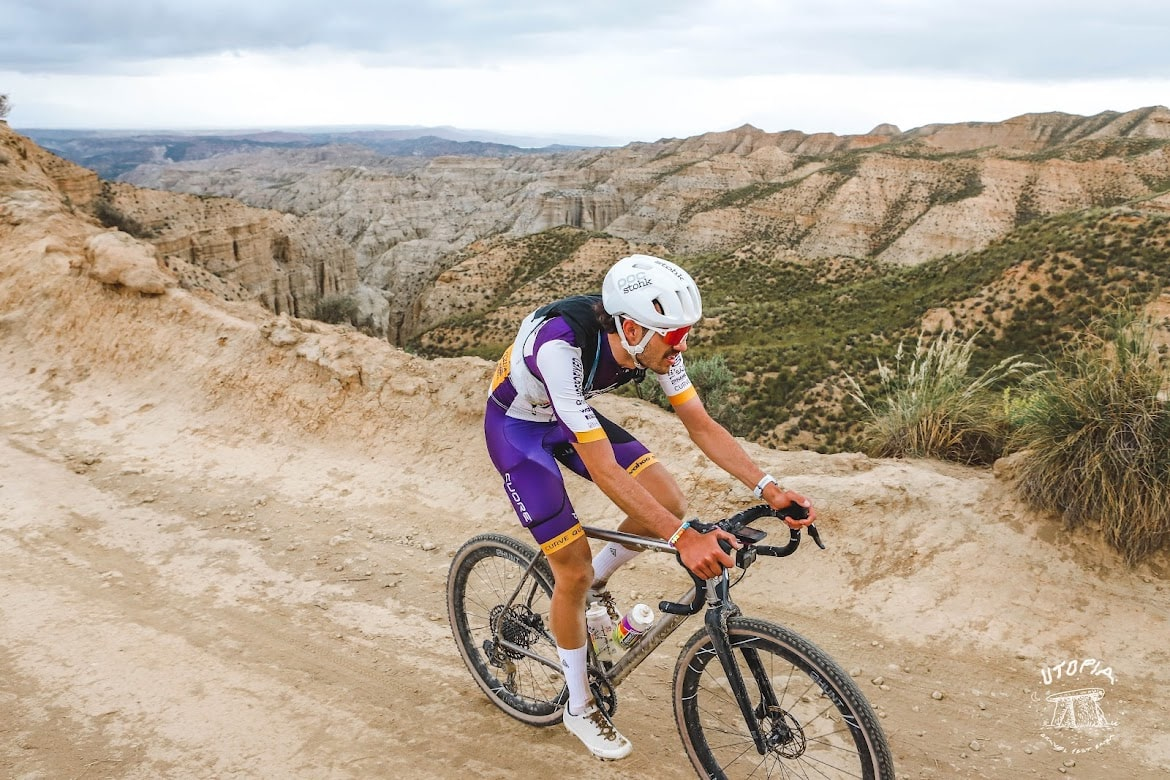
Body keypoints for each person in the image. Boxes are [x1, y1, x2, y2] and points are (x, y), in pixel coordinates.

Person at [483, 254, 815, 760]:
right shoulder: (560, 348)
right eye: (675, 337)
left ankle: (598, 580)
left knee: (668, 499)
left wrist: (768, 489)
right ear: (634, 328)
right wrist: (682, 538)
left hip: (566, 415)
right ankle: (578, 705)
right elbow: (604, 471)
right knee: (568, 570)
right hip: (518, 429)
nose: (681, 347)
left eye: (685, 335)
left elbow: (700, 423)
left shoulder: (654, 343)